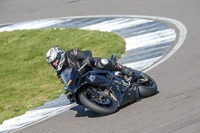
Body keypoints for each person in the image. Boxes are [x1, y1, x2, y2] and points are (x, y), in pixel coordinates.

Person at [46, 46, 133, 102]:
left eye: (55, 61)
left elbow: (86, 53)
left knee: (99, 62)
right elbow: (67, 83)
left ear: (60, 55)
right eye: (52, 63)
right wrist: (69, 92)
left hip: (90, 69)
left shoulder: (71, 53)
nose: (54, 64)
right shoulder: (59, 74)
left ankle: (123, 69)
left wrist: (86, 59)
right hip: (82, 82)